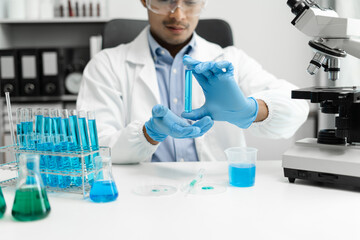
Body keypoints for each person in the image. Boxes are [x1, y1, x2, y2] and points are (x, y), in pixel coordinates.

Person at [76, 0, 309, 164]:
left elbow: (297, 104)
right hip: (143, 195)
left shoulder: (229, 59)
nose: (178, 14)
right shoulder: (106, 65)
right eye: (165, 0)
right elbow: (94, 147)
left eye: (190, 1)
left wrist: (251, 110)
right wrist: (148, 134)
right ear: (144, 0)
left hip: (215, 196)